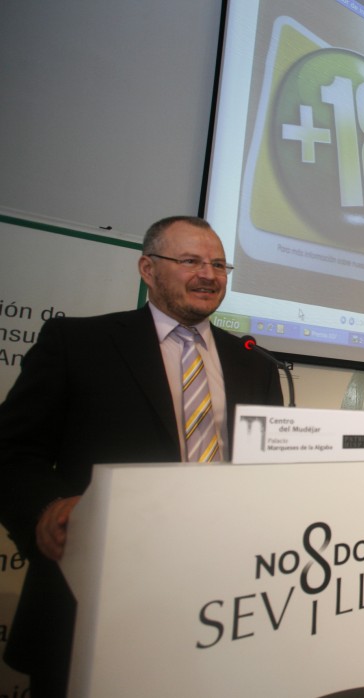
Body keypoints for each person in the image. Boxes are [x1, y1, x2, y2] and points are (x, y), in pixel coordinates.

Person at [0, 215, 284, 697]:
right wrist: (44, 509)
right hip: (97, 594)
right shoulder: (79, 344)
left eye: (219, 264)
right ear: (147, 269)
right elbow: (11, 451)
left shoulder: (254, 363)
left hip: (224, 595)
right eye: (190, 260)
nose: (209, 275)